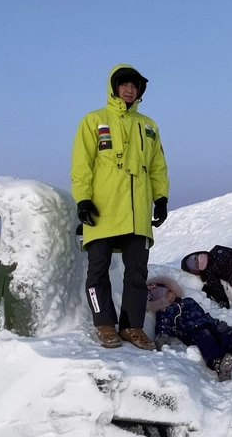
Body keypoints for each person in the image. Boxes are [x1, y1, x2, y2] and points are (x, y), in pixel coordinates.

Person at [71, 64, 169, 348]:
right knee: (98, 270)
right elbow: (81, 165)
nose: (129, 89)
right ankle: (104, 325)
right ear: (113, 87)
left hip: (137, 213)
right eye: (124, 84)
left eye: (134, 86)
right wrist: (83, 199)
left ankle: (132, 327)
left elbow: (158, 167)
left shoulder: (149, 126)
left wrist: (160, 198)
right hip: (102, 210)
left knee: (137, 273)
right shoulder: (94, 121)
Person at [146, 277, 232, 381]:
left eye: (169, 292)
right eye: (165, 296)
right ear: (160, 301)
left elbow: (204, 315)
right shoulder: (165, 311)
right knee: (205, 336)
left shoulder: (188, 301)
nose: (170, 296)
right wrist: (162, 338)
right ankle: (218, 363)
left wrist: (218, 323)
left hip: (206, 323)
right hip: (191, 331)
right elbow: (163, 325)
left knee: (221, 330)